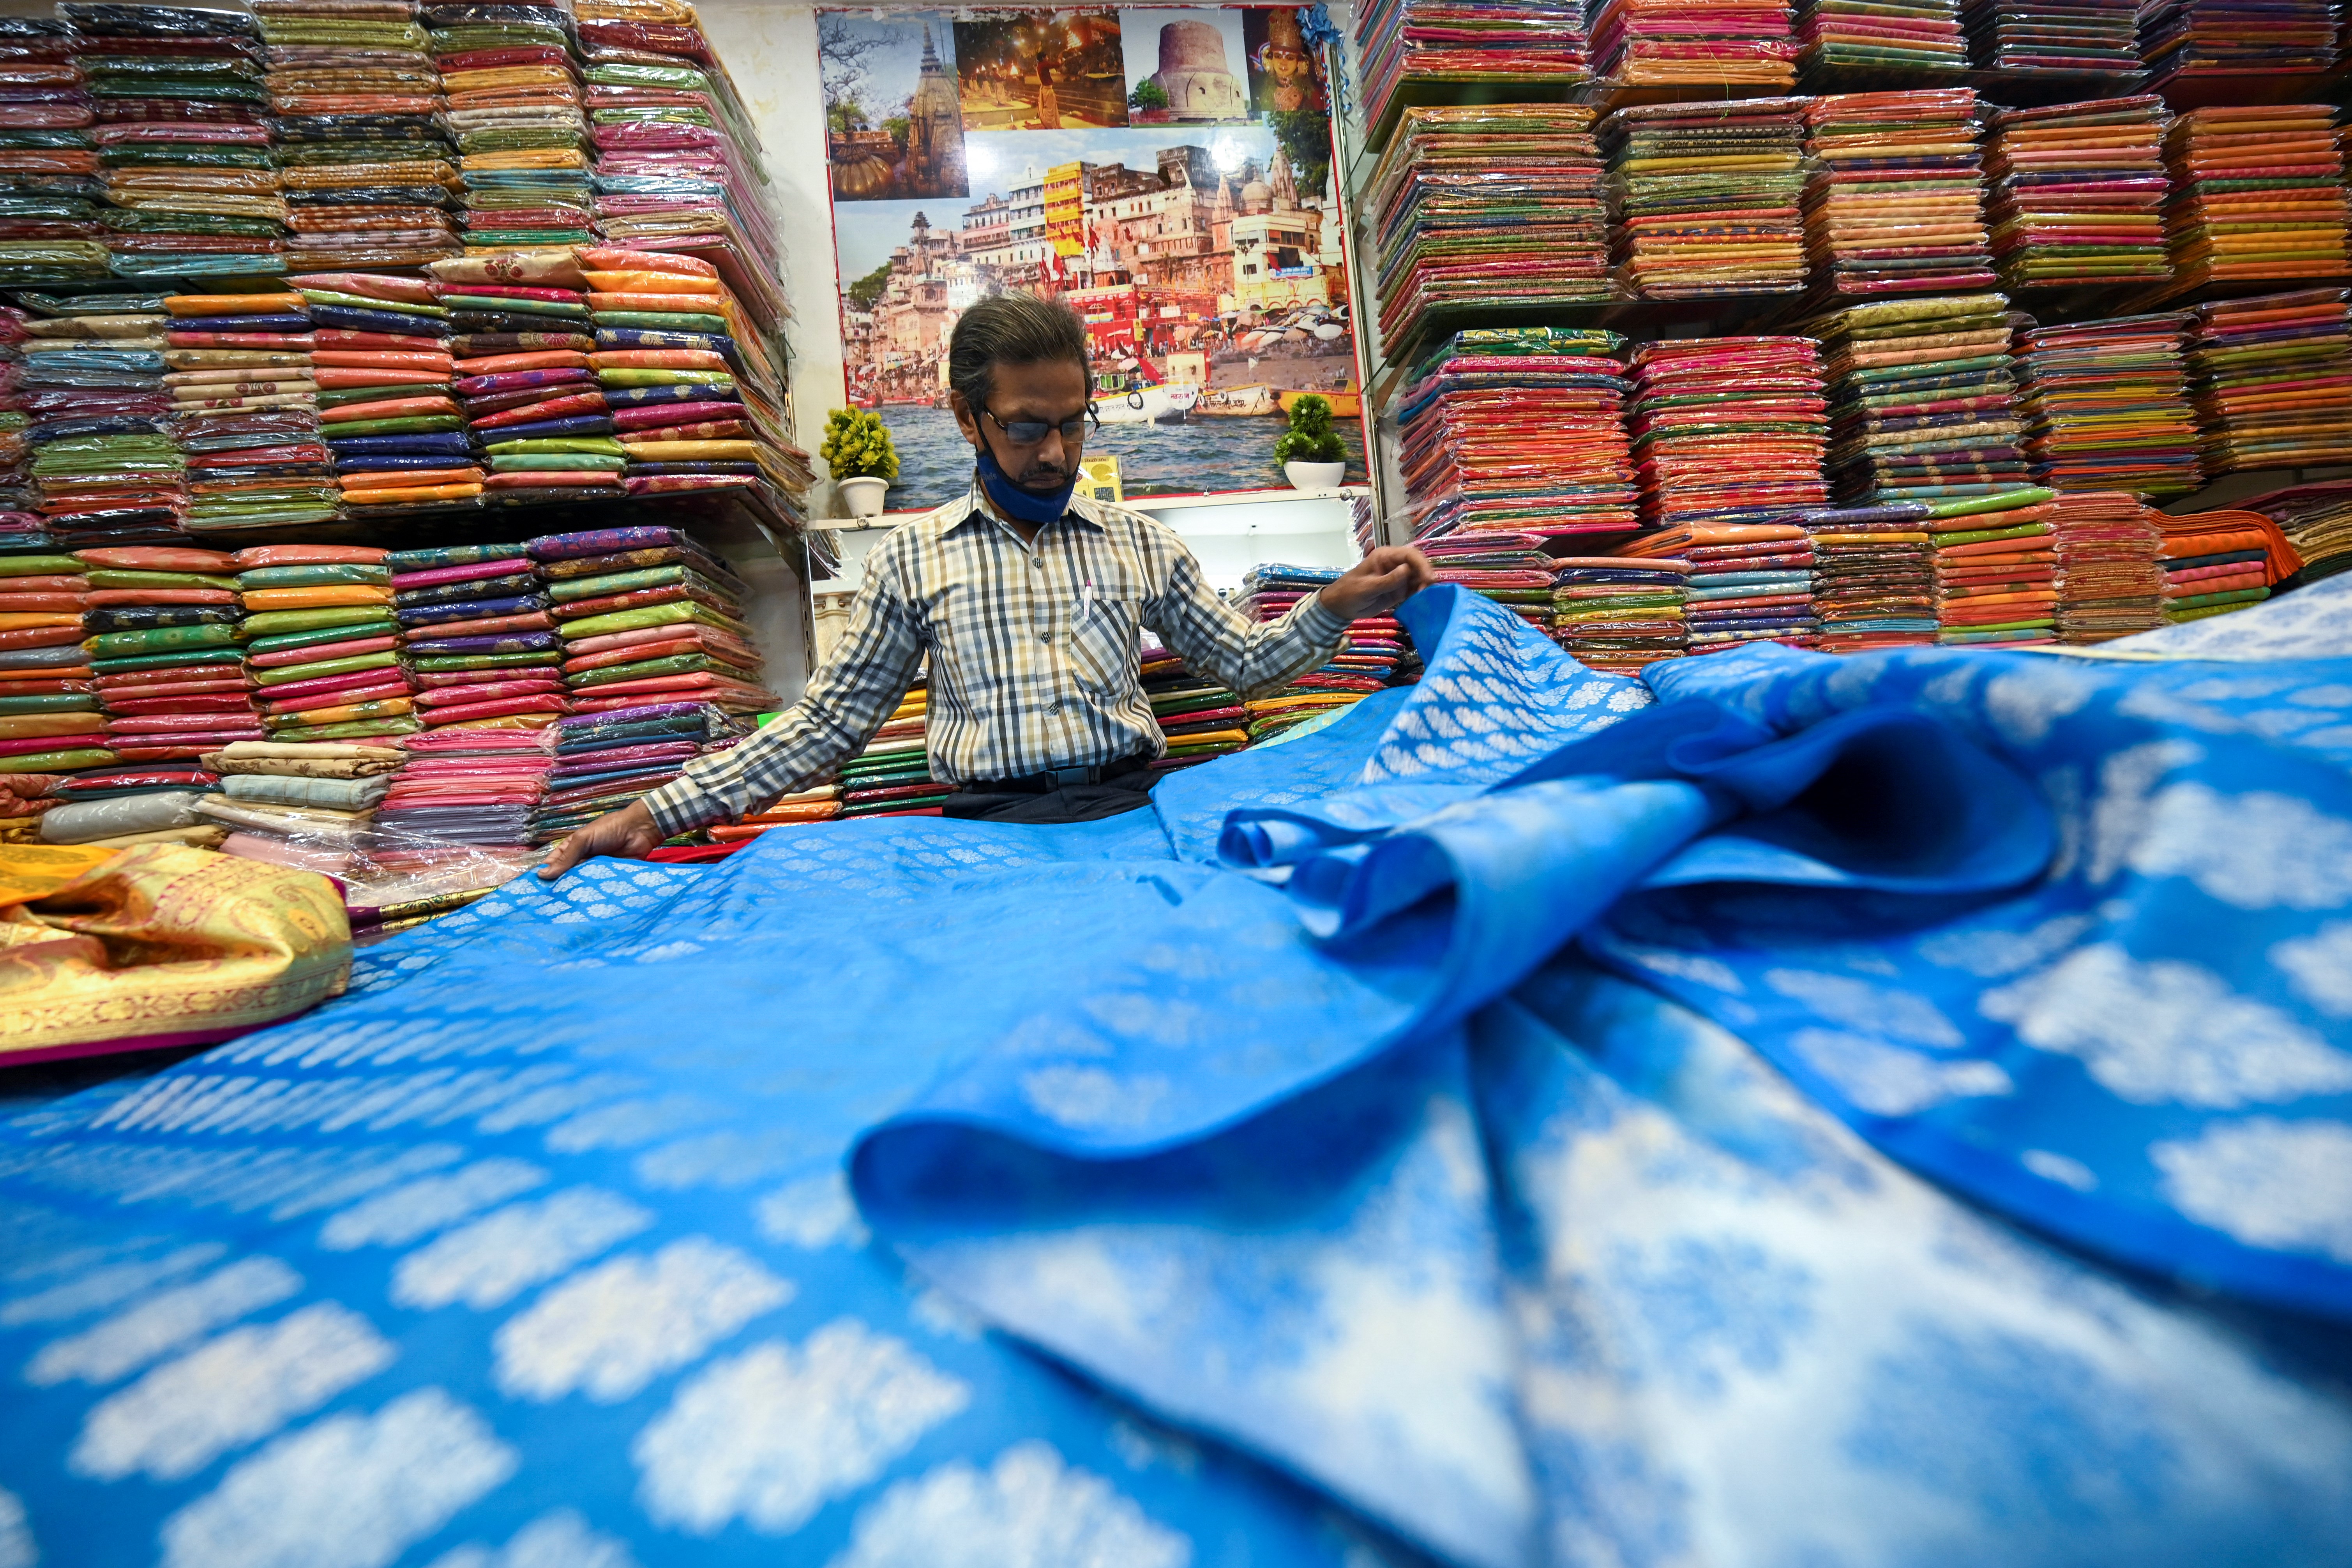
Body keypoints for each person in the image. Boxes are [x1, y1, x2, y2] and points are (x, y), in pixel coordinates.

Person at [542, 292, 1431, 878]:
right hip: (990, 836)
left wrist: (1335, 604)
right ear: (967, 419)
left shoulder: (1138, 543)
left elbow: (1247, 664)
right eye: (1027, 428)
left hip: (1134, 817)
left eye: (1074, 424)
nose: (1056, 454)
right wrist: (657, 813)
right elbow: (827, 726)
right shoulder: (913, 559)